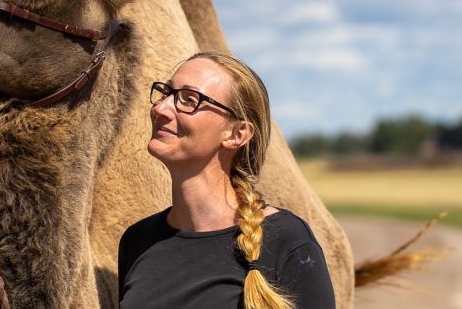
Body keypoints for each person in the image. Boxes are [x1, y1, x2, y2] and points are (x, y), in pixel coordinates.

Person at [118, 52, 336, 309]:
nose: (161, 107)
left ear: (236, 134)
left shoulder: (286, 241)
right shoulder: (137, 240)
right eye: (166, 92)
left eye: (189, 99)